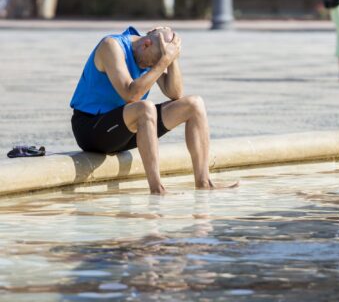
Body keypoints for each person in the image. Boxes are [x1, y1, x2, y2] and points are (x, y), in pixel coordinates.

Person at [70, 25, 238, 195]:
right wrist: (163, 61)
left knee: (194, 104)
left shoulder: (150, 53)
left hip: (125, 129)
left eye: (157, 63)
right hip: (91, 129)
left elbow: (175, 93)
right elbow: (131, 95)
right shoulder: (111, 46)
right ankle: (157, 189)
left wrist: (173, 58)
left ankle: (204, 183)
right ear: (146, 44)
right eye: (153, 62)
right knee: (145, 107)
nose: (151, 66)